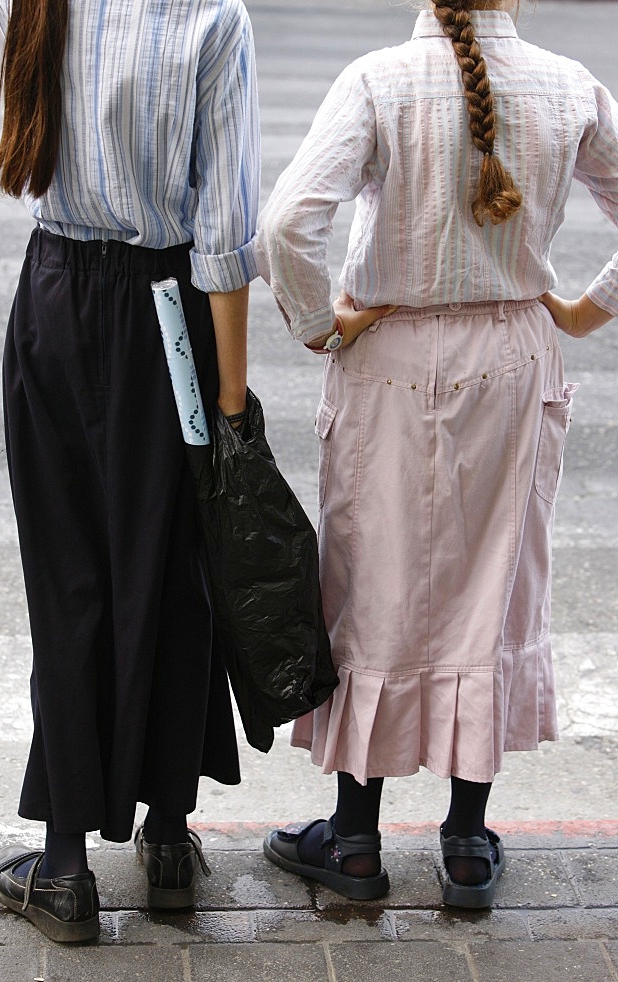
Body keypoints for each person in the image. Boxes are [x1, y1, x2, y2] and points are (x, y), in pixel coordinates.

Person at [256, 0, 617, 907]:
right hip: (512, 358)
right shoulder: (570, 85)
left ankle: (353, 842)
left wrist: (314, 324)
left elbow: (288, 220)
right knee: (491, 587)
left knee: (370, 585)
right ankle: (464, 842)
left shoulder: (379, 79)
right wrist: (583, 308)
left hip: (391, 356)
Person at [0, 0, 260, 941]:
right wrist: (232, 407)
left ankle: (64, 869)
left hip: (54, 298)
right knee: (172, 574)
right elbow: (224, 236)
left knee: (67, 586)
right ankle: (171, 841)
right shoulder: (214, 19)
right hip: (166, 315)